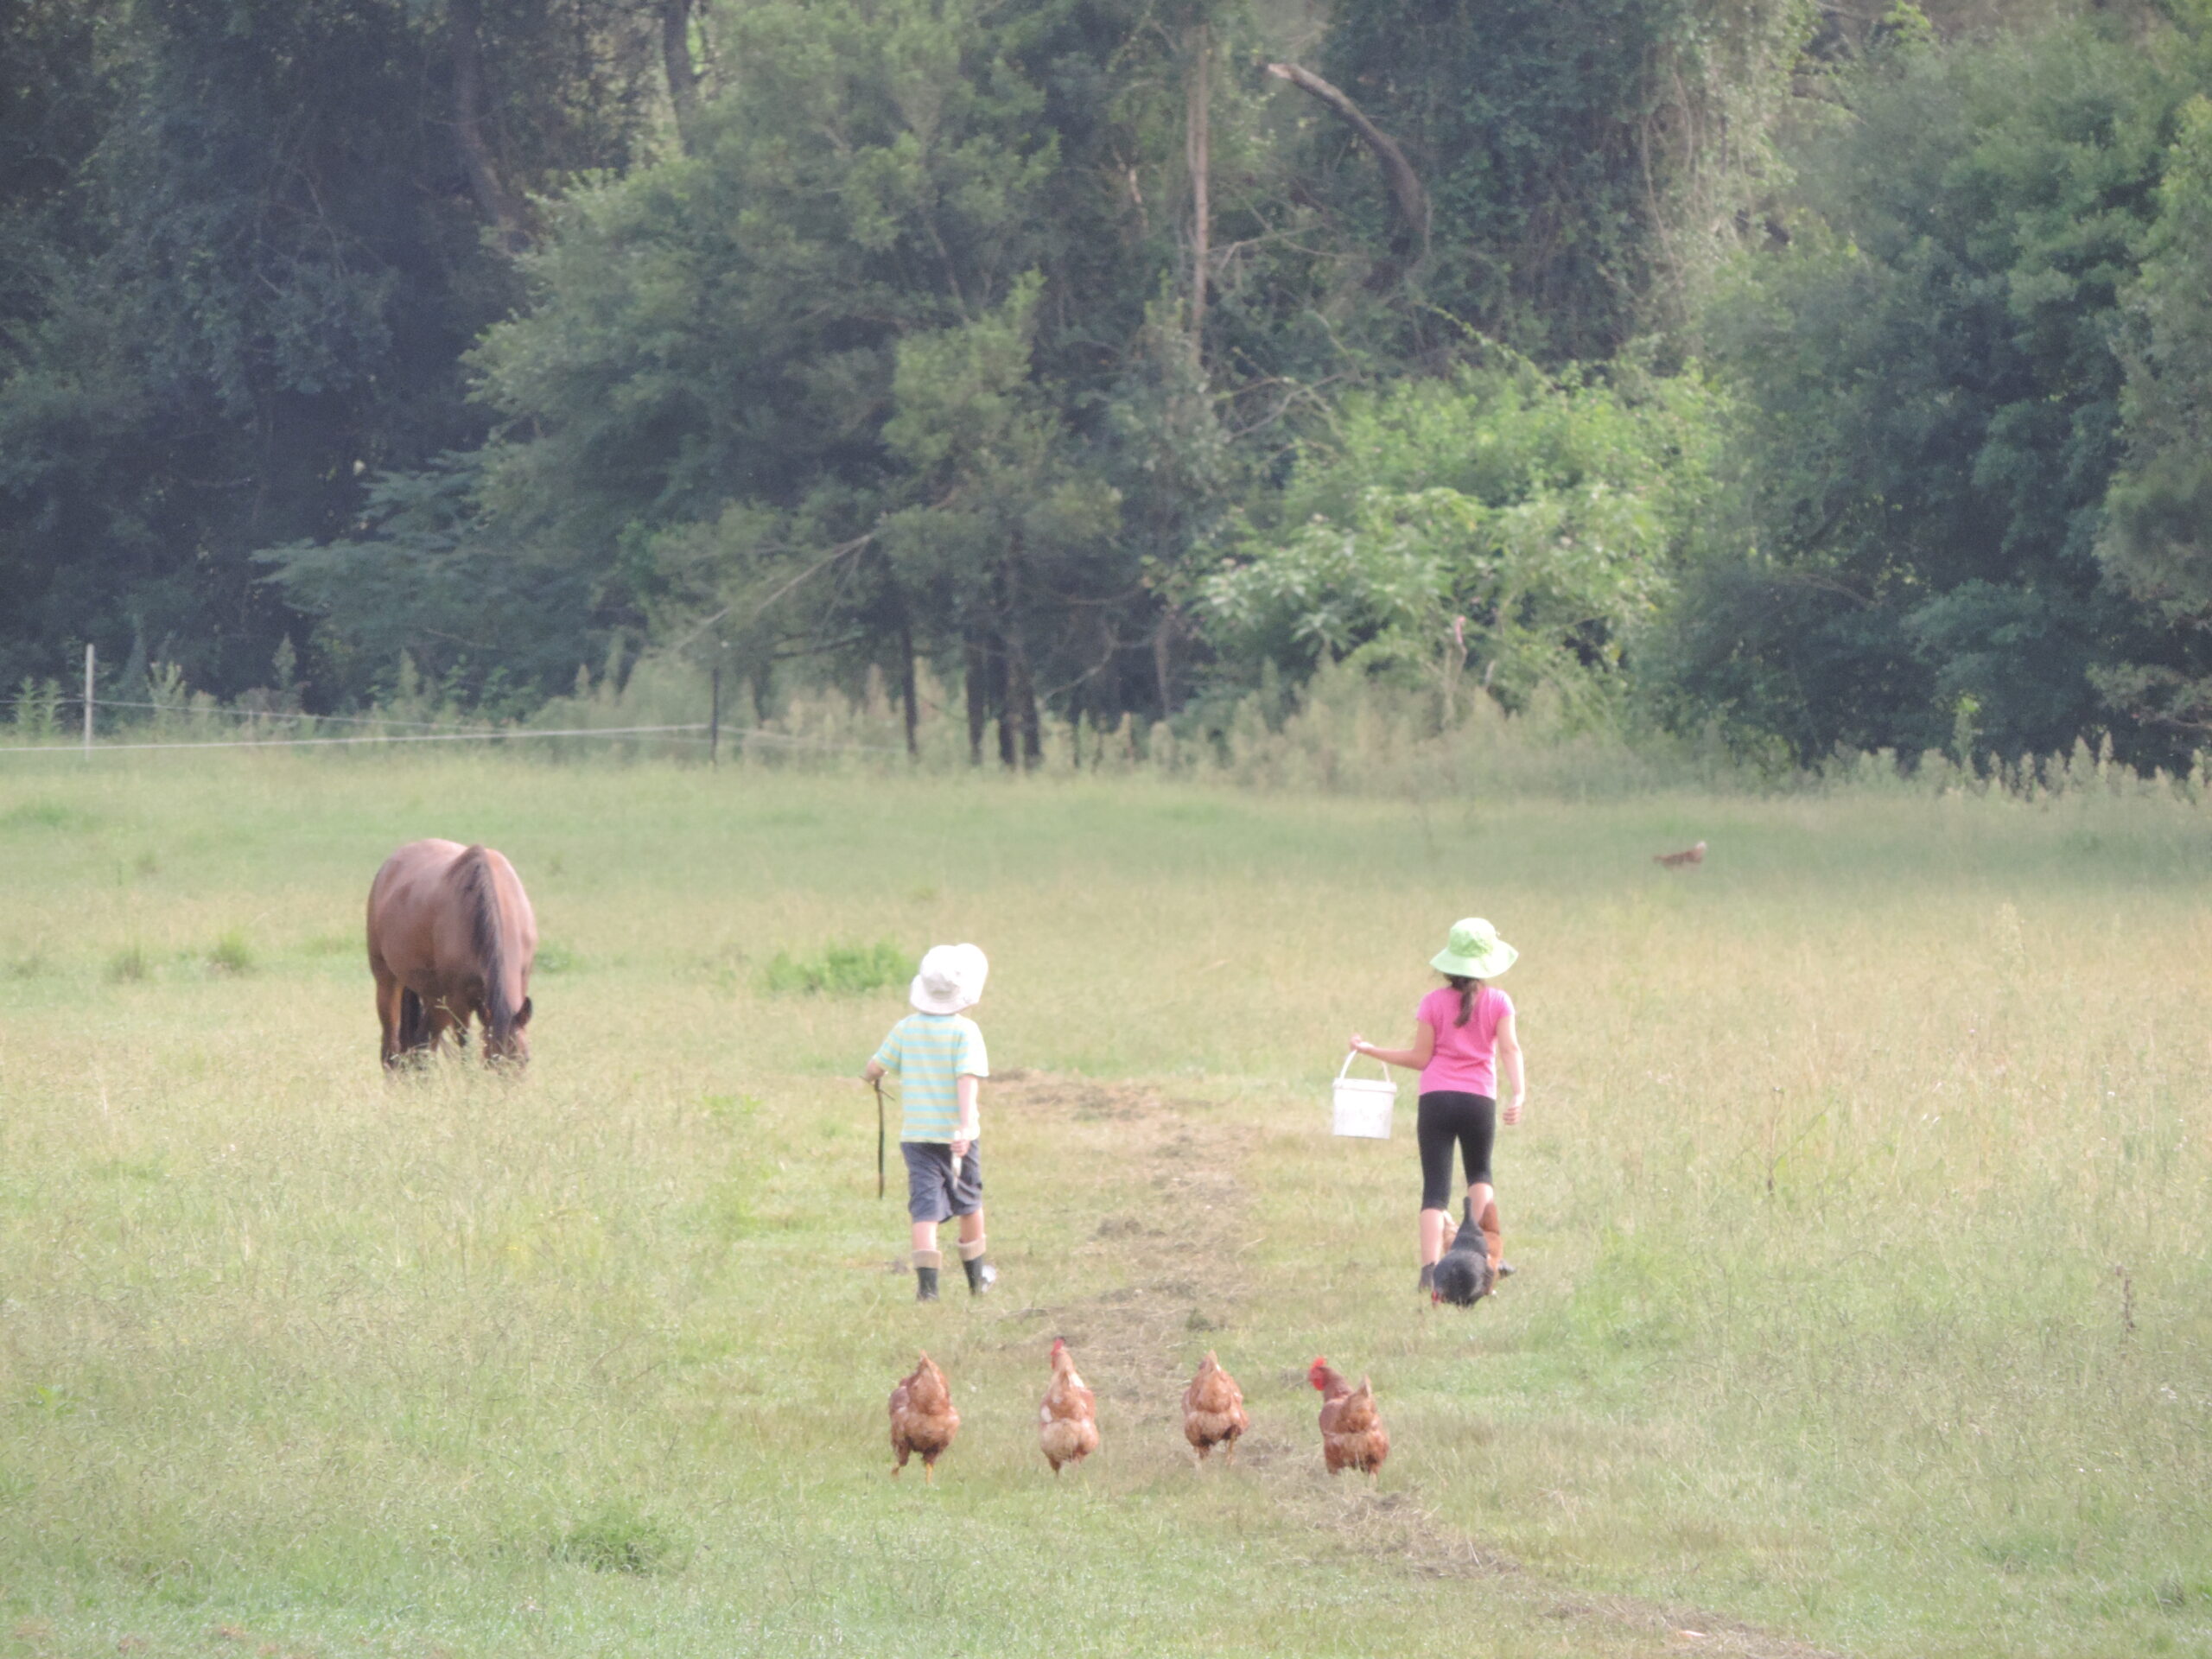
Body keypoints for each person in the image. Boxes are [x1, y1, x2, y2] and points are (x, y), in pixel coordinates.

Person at [1349, 917, 1524, 1295]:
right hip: (1480, 1100)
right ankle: (1489, 1259)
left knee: (1435, 1191)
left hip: (1436, 1101)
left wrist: (1370, 1050)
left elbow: (1419, 1058)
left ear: (1448, 964)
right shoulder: (1499, 1001)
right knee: (1480, 1174)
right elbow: (1509, 1049)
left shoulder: (1432, 1002)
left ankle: (1430, 1272)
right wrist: (1519, 1093)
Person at [862, 943, 996, 1302]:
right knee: (969, 1201)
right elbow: (967, 1079)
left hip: (918, 1137)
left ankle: (927, 1290)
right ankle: (975, 1282)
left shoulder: (906, 1029)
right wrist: (965, 1128)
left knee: (924, 1208)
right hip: (957, 1137)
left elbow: (875, 1068)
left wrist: (873, 1077)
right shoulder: (965, 1033)